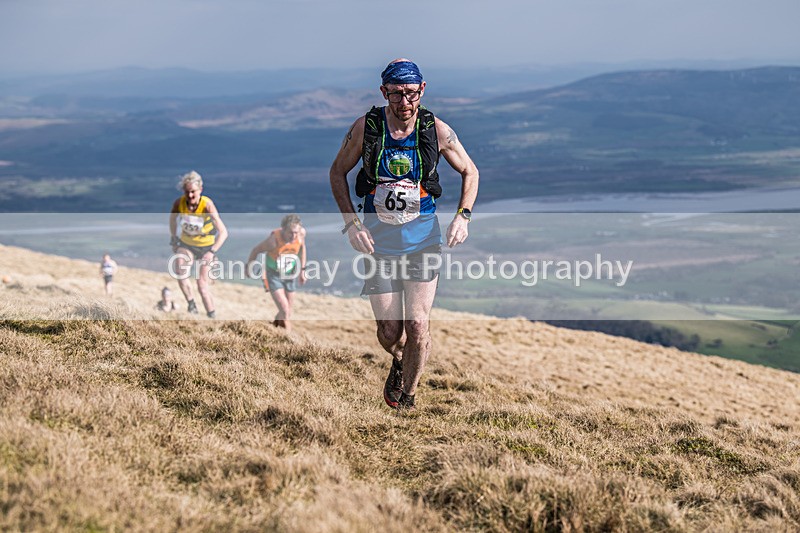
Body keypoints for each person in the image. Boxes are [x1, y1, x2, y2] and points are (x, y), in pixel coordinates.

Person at [330, 59, 479, 410]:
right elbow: (337, 173)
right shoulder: (367, 128)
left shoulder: (437, 130)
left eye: (411, 93)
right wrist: (351, 223)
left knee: (417, 323)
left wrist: (463, 217)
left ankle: (408, 400)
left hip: (423, 242)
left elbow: (470, 172)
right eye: (396, 94)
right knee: (389, 334)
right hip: (379, 243)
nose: (404, 102)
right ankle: (400, 360)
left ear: (422, 91)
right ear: (384, 93)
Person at [168, 170, 228, 318]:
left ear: (200, 189)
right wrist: (174, 238)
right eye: (187, 192)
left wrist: (211, 252)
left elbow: (224, 232)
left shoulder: (207, 205)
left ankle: (211, 315)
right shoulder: (179, 203)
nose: (190, 196)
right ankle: (191, 304)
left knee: (202, 284)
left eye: (193, 192)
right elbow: (172, 220)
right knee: (180, 272)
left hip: (206, 247)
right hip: (187, 243)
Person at [247, 214, 307, 332]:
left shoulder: (300, 235)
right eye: (290, 232)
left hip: (290, 274)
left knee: (287, 311)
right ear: (283, 230)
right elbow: (256, 250)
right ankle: (289, 339)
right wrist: (249, 267)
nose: (294, 236)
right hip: (273, 275)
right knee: (284, 310)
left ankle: (274, 328)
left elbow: (302, 248)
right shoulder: (273, 241)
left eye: (296, 232)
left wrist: (302, 271)